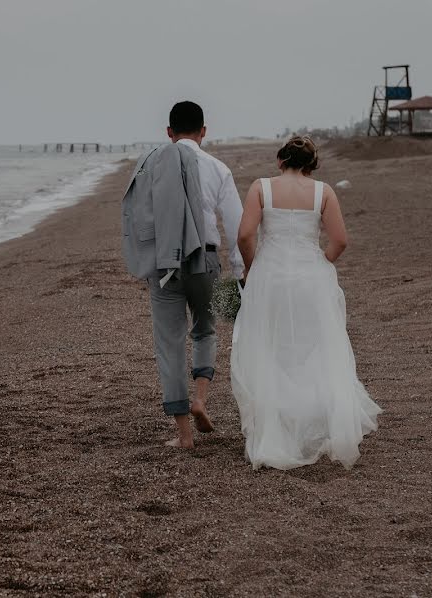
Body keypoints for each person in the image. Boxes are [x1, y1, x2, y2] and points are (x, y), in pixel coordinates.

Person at [231, 135, 381, 469]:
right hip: (310, 278)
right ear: (312, 165)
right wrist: (321, 262)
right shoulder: (323, 191)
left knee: (271, 346)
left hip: (269, 276)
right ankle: (314, 420)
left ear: (280, 160)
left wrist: (253, 267)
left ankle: (278, 426)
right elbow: (340, 240)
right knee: (312, 347)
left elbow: (244, 235)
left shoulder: (261, 187)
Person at [121, 101, 244, 449]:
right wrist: (240, 272)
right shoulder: (219, 168)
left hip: (163, 264)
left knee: (169, 345)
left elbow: (139, 215)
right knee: (206, 330)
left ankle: (184, 435)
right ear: (204, 131)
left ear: (169, 133)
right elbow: (236, 226)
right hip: (206, 261)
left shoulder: (152, 166)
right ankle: (200, 400)